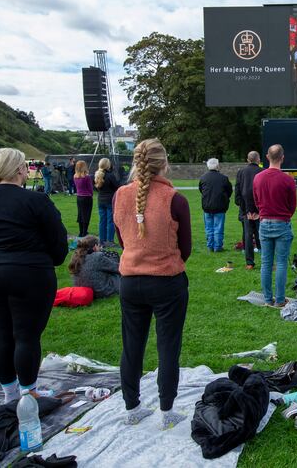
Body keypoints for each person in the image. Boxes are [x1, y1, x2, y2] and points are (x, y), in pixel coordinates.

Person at [0, 148, 67, 401]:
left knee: (2, 334)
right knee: (25, 335)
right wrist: (50, 259)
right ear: (19, 170)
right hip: (26, 271)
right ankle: (27, 393)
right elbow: (57, 240)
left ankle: (10, 394)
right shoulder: (35, 200)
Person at [113, 138, 191, 429]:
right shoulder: (174, 200)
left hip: (132, 279)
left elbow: (123, 238)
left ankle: (132, 406)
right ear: (165, 163)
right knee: (168, 346)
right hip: (166, 281)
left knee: (131, 345)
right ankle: (167, 409)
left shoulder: (120, 195)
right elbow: (186, 247)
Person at [253, 144, 297, 307]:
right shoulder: (287, 179)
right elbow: (292, 205)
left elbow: (257, 200)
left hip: (264, 222)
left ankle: (267, 299)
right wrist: (284, 215)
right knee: (280, 263)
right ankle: (279, 300)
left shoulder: (258, 178)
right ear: (282, 158)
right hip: (282, 223)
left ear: (267, 157)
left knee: (266, 262)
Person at [235, 151, 263, 269]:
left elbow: (239, 192)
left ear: (248, 160)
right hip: (259, 210)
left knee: (248, 235)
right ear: (258, 160)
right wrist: (257, 210)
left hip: (246, 209)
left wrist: (245, 210)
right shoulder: (262, 172)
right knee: (261, 235)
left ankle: (249, 263)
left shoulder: (241, 172)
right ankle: (266, 261)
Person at [199, 158, 232, 252]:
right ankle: (218, 247)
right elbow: (229, 191)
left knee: (209, 228)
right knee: (218, 228)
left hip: (207, 206)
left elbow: (201, 190)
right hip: (220, 206)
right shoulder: (224, 178)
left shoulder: (203, 178)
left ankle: (210, 246)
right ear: (217, 166)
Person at [95, 158, 119, 246]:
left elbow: (97, 187)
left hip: (101, 200)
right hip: (109, 200)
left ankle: (102, 240)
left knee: (102, 220)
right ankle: (109, 241)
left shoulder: (97, 175)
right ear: (108, 165)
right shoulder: (110, 175)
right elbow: (117, 186)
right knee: (110, 221)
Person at [74, 160, 94, 237]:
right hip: (87, 197)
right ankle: (84, 232)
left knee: (80, 214)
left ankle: (81, 231)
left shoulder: (75, 176)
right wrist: (91, 195)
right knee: (86, 215)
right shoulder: (87, 177)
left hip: (79, 197)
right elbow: (90, 188)